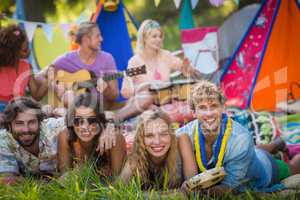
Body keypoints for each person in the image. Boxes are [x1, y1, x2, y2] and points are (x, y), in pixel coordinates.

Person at [176, 80, 300, 195]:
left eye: (213, 106)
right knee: (252, 150)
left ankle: (280, 146)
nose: (209, 113)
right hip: (247, 153)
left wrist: (198, 192)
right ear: (193, 112)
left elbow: (229, 187)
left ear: (223, 108)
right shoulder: (185, 133)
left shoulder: (241, 139)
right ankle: (278, 143)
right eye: (202, 107)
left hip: (262, 169)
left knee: (291, 167)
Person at [114, 19, 200, 122]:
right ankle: (115, 119)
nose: (158, 39)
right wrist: (144, 89)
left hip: (165, 103)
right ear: (144, 38)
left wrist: (187, 67)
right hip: (145, 106)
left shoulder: (165, 56)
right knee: (148, 99)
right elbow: (125, 91)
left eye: (160, 36)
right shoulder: (136, 62)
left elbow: (186, 70)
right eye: (154, 36)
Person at [44, 21, 118, 110]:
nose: (101, 39)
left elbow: (114, 96)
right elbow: (44, 74)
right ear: (85, 39)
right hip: (74, 110)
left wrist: (105, 89)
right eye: (97, 36)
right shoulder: (66, 59)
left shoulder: (107, 59)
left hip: (100, 109)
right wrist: (58, 89)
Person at [118, 108, 197, 190]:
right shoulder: (138, 155)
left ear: (171, 134)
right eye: (150, 135)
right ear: (141, 139)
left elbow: (194, 187)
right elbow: (117, 191)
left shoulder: (182, 141)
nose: (157, 141)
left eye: (163, 134)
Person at [57, 92, 126, 177]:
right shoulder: (66, 137)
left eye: (91, 121)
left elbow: (118, 182)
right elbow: (64, 179)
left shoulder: (113, 138)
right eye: (78, 120)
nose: (84, 127)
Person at [0, 97, 65, 184]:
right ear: (9, 125)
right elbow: (7, 179)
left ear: (39, 121)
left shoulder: (52, 127)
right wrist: (41, 183)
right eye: (19, 123)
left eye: (31, 122)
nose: (26, 129)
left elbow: (79, 120)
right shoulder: (4, 140)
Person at [0, 25, 47, 113]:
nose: (29, 52)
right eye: (25, 50)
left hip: (17, 113)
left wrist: (48, 81)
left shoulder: (27, 67)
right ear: (12, 52)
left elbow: (36, 96)